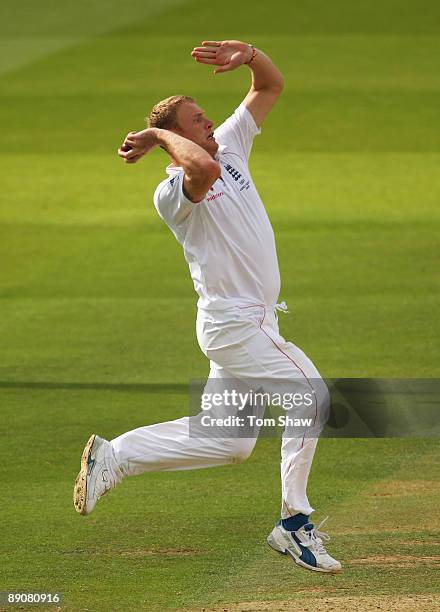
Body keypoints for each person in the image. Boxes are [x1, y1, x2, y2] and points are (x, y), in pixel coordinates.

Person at [73, 40, 341, 574]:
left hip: (248, 322)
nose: (211, 123)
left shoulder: (230, 147)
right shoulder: (175, 189)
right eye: (198, 120)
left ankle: (116, 454)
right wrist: (157, 136)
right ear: (176, 139)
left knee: (229, 441)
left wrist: (251, 54)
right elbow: (201, 168)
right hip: (235, 324)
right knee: (310, 396)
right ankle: (294, 523)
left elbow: (270, 86)